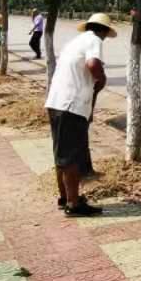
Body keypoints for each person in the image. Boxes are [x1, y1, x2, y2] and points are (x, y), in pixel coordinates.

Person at [45, 12, 115, 217]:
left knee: (61, 153)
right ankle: (73, 204)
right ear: (103, 31)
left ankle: (65, 197)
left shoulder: (75, 42)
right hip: (71, 106)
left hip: (56, 102)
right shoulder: (94, 40)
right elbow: (93, 65)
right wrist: (102, 80)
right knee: (71, 156)